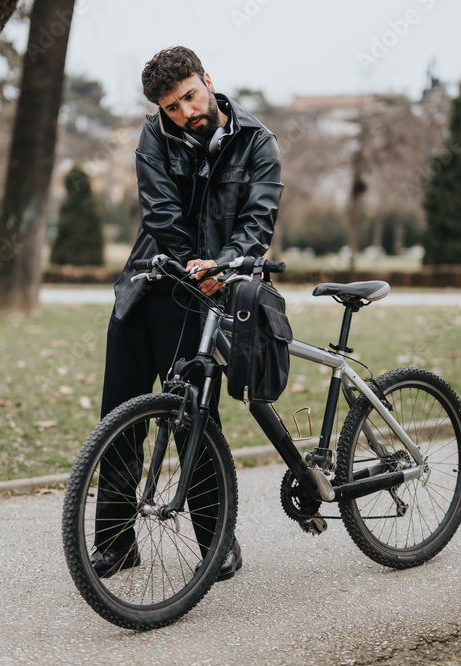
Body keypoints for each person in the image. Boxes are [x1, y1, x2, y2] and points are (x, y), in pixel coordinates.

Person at [92, 46, 284, 581]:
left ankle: (217, 541)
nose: (184, 113)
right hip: (147, 284)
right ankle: (114, 542)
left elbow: (257, 223)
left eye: (189, 98)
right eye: (171, 107)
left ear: (208, 81)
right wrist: (186, 261)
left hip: (202, 299)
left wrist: (219, 266)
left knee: (193, 418)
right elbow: (159, 210)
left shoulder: (257, 142)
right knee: (119, 417)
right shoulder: (155, 134)